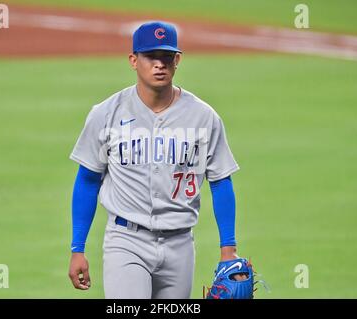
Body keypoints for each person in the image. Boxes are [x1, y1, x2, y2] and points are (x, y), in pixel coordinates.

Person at [68, 21, 246, 299]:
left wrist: (229, 250)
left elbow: (221, 181)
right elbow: (88, 180)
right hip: (126, 241)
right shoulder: (106, 114)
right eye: (151, 57)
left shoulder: (203, 117)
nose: (159, 64)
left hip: (180, 244)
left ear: (177, 60)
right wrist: (77, 247)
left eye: (166, 57)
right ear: (133, 60)